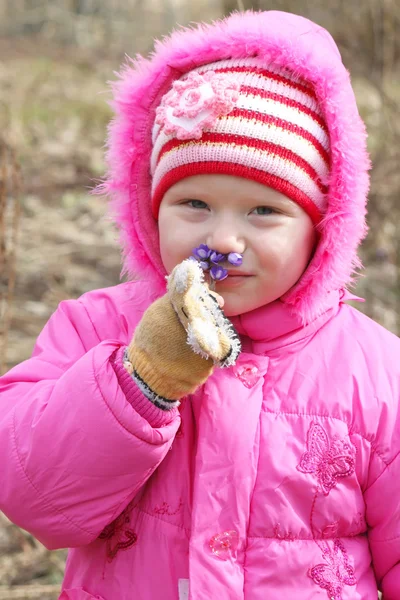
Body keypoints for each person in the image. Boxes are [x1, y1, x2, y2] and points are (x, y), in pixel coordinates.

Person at [0, 9, 399, 600]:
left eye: (264, 211)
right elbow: (33, 495)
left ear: (321, 227)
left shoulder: (377, 372)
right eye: (193, 203)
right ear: (150, 209)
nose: (223, 240)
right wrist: (140, 381)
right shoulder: (95, 326)